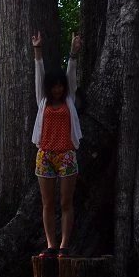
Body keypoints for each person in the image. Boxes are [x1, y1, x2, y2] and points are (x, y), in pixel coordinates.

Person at [31, 30, 82, 257]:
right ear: (48, 88)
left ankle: (64, 245)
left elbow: (71, 73)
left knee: (65, 202)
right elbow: (39, 75)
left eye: (61, 86)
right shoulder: (42, 102)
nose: (58, 89)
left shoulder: (69, 100)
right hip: (45, 155)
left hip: (67, 155)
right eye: (54, 86)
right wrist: (37, 51)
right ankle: (51, 245)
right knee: (48, 203)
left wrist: (73, 52)